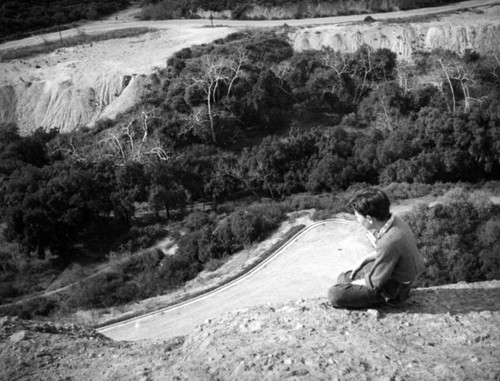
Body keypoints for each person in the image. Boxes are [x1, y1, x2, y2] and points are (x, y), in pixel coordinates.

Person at [327, 188, 425, 308]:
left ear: (369, 219)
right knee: (344, 277)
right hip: (401, 277)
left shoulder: (389, 241)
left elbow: (374, 283)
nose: (357, 220)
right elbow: (389, 252)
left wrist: (353, 285)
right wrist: (363, 260)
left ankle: (388, 302)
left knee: (335, 293)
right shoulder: (396, 222)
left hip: (395, 291)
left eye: (358, 217)